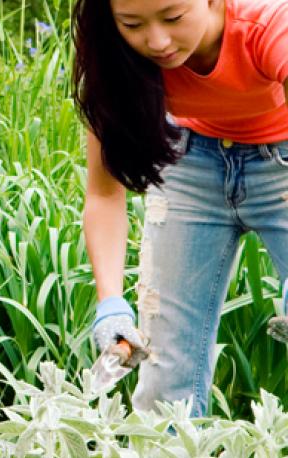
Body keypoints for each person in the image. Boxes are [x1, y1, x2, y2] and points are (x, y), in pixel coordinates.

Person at [75, 0, 288, 416]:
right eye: (132, 24)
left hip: (282, 165)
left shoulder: (269, 25)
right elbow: (104, 195)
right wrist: (110, 305)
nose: (156, 41)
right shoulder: (113, 58)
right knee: (164, 373)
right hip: (188, 164)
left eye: (173, 17)